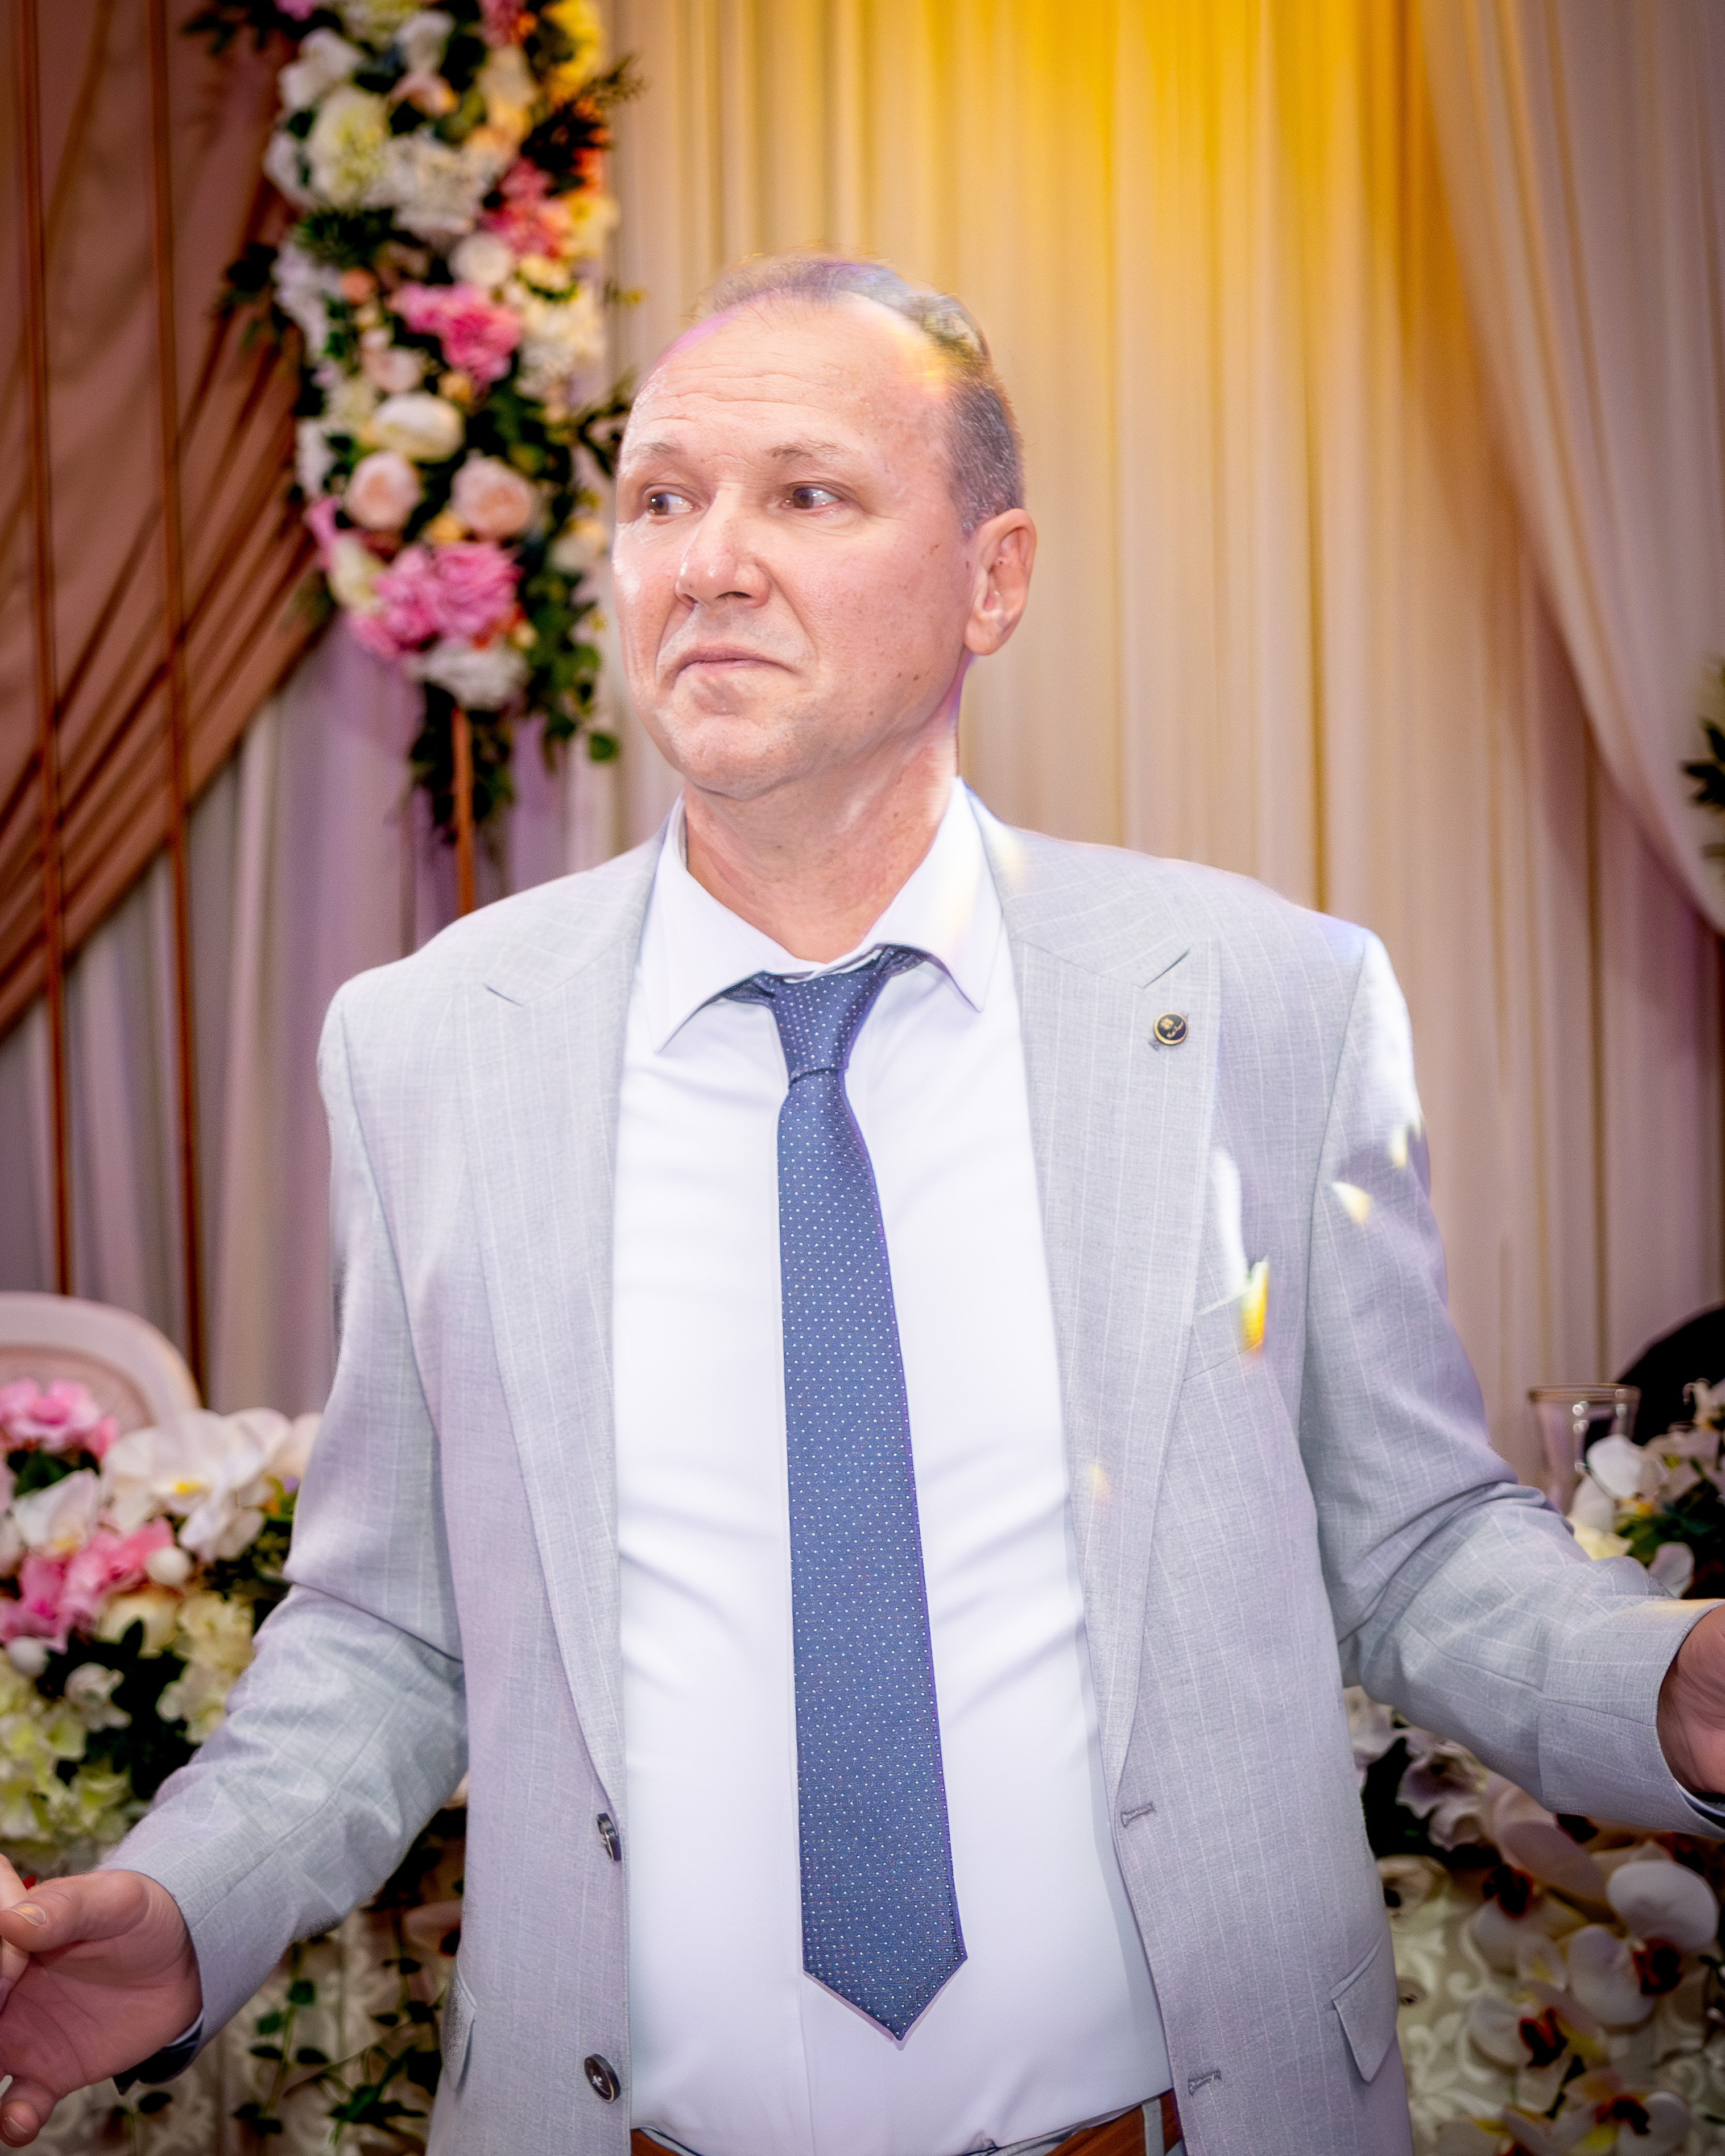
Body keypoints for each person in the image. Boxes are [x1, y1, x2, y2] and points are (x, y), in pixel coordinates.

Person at [2, 253, 1725, 2156]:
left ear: (994, 577)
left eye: (806, 494)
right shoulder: (428, 1045)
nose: (709, 561)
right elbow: (388, 1634)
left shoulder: (1265, 1001)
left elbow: (1406, 1546)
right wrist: (187, 1906)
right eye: (661, 497)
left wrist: (1665, 1688)